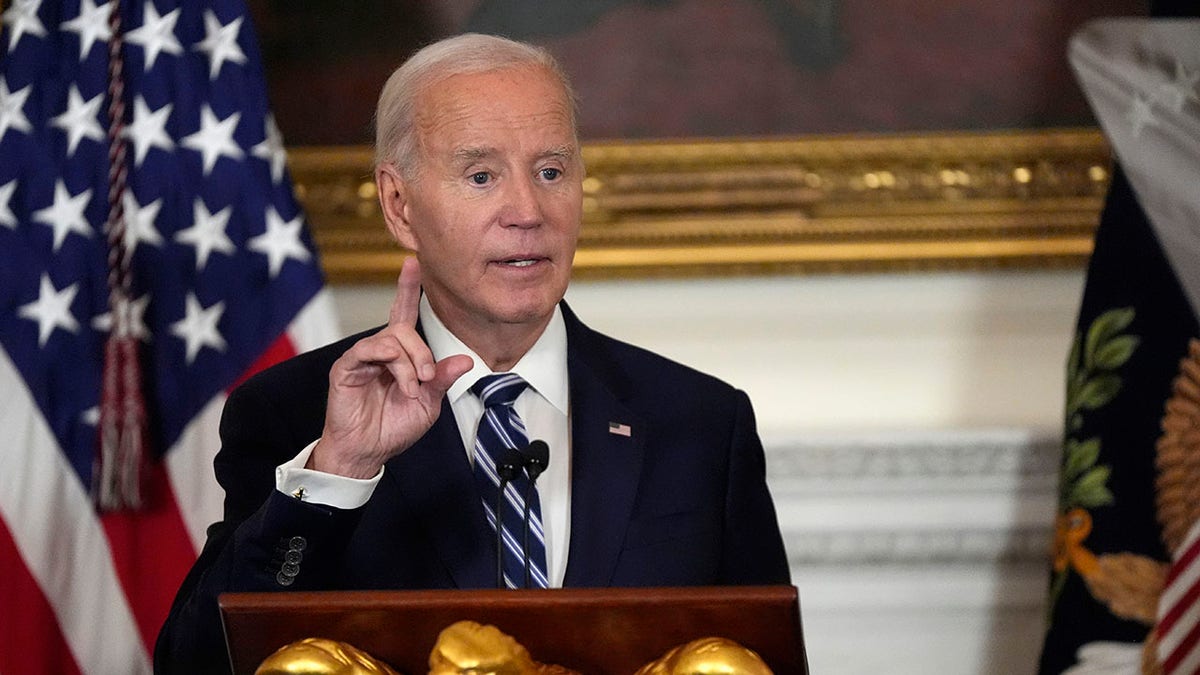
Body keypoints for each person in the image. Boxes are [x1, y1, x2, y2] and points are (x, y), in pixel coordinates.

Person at [155, 33, 790, 673]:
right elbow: (196, 664)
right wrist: (338, 470)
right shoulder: (294, 413)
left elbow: (761, 660)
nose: (527, 210)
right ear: (399, 205)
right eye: (481, 176)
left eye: (551, 171)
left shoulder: (701, 422)